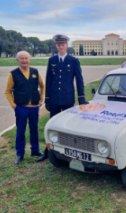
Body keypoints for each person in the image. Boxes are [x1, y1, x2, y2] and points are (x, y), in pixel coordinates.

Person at [36, 34, 89, 162]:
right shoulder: (52, 60)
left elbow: (79, 80)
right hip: (54, 98)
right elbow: (49, 79)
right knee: (52, 125)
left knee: (69, 126)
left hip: (67, 99)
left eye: (63, 44)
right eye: (58, 44)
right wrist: (47, 98)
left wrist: (81, 98)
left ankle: (70, 152)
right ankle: (48, 152)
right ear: (56, 46)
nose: (61, 47)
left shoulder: (73, 60)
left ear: (66, 45)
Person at [4, 51, 45, 165]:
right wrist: (13, 105)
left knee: (34, 129)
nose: (24, 60)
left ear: (29, 60)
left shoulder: (35, 72)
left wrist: (41, 99)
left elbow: (42, 85)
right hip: (21, 107)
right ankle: (20, 153)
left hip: (34, 107)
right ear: (18, 60)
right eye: (22, 58)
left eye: (26, 58)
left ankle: (35, 150)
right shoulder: (13, 74)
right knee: (21, 131)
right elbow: (8, 91)